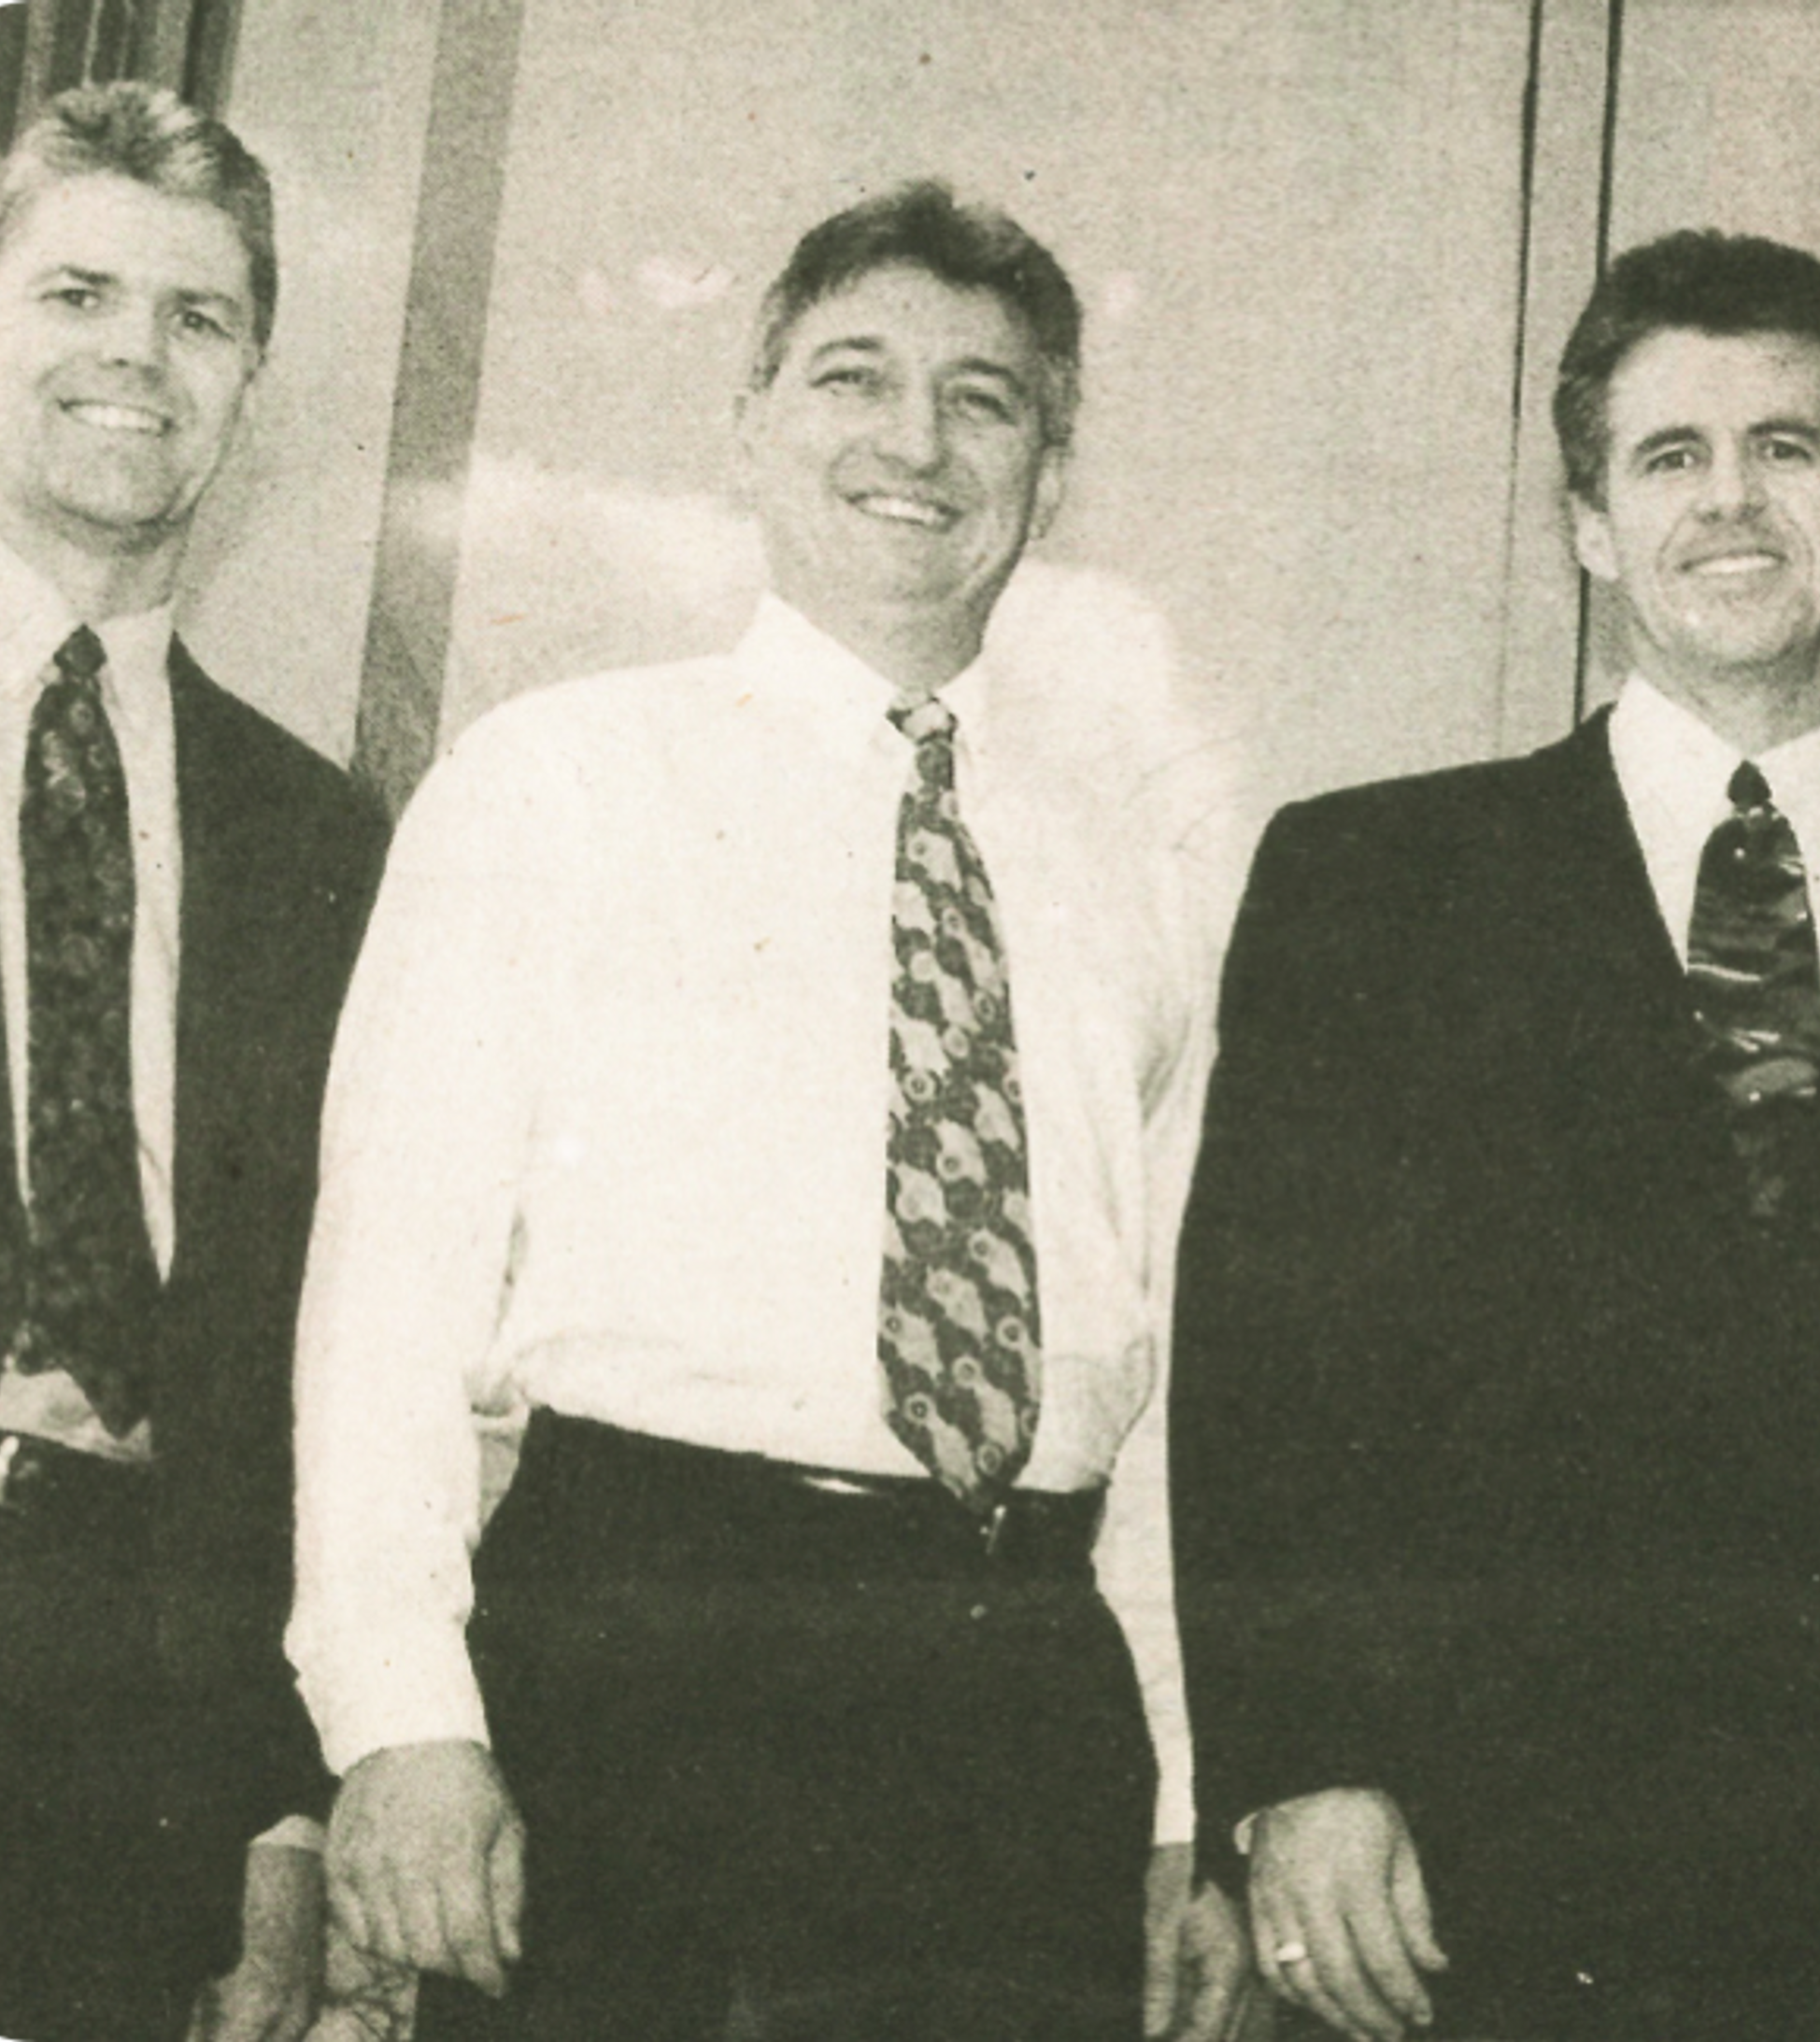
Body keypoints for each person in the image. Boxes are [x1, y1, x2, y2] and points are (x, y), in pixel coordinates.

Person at [285, 181, 1245, 2039]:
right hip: (638, 1645)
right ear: (751, 422)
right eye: (852, 376)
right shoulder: (554, 778)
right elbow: (384, 1295)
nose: (915, 438)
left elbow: (1162, 1374)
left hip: (1022, 1685)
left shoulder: (1134, 871)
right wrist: (402, 1717)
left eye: (986, 399)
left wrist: (1186, 1797)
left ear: (1054, 471)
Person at [1174, 228, 1820, 2042]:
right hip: (1450, 1909)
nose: (1731, 500)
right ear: (1589, 526)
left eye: (1788, 447)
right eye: (1668, 455)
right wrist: (1293, 1764)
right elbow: (1257, 1374)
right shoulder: (1368, 883)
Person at [0, 78, 382, 2042]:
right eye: (78, 292)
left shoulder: (322, 838)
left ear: (250, 375)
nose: (136, 355)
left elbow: (305, 1357)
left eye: (198, 318)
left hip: (115, 1748)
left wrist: (273, 1824)